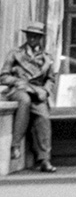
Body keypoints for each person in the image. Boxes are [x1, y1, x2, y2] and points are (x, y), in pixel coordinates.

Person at [2, 22, 57, 173]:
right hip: (19, 90)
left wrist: (45, 91)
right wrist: (19, 82)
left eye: (36, 36)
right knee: (24, 100)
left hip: (38, 92)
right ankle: (15, 144)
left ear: (40, 38)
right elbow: (4, 76)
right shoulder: (16, 53)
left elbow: (51, 79)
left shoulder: (46, 58)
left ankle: (44, 159)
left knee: (43, 116)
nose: (32, 39)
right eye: (30, 35)